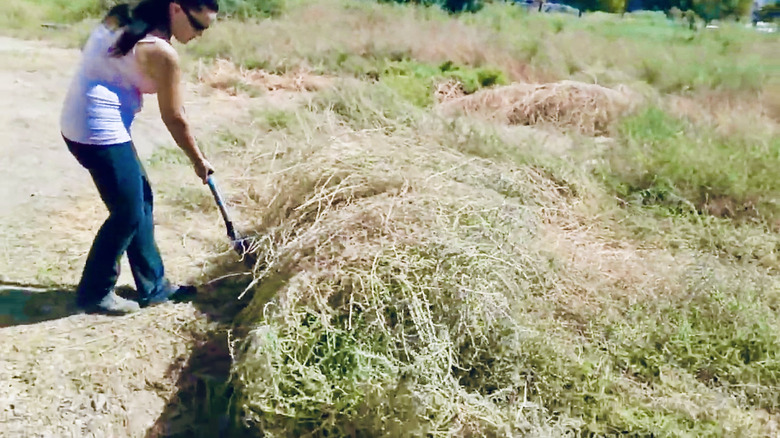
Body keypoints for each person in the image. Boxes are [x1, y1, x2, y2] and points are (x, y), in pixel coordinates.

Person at [60, 0, 219, 314]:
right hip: (97, 130)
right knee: (128, 211)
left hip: (80, 119)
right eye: (198, 25)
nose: (200, 35)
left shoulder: (123, 15)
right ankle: (94, 293)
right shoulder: (161, 52)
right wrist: (199, 160)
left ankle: (153, 286)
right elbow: (174, 118)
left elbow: (96, 54)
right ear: (175, 9)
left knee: (140, 199)